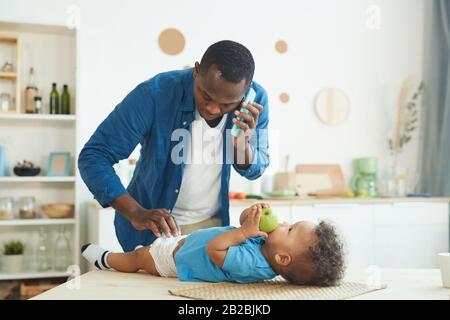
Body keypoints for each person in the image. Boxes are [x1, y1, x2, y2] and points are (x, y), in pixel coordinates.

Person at [78, 40, 270, 252]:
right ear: (196, 71)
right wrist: (135, 212)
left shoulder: (256, 101)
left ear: (246, 92)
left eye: (227, 105)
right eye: (206, 95)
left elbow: (255, 170)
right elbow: (94, 156)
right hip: (152, 232)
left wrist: (241, 144)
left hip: (213, 230)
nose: (214, 109)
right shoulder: (155, 94)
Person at [81, 203, 346, 285]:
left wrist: (243, 231)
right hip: (184, 244)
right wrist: (250, 217)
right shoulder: (267, 243)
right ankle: (110, 258)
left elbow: (215, 249)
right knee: (142, 252)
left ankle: (106, 259)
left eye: (289, 229)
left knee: (138, 258)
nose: (283, 222)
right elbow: (241, 225)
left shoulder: (252, 265)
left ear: (284, 259)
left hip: (176, 261)